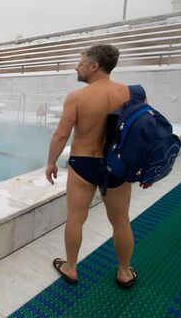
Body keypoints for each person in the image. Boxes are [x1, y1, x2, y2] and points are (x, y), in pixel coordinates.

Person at [45, 45, 139, 288]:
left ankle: (71, 268)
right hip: (117, 165)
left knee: (76, 218)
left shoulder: (77, 97)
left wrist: (50, 163)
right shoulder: (132, 94)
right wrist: (142, 170)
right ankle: (124, 273)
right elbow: (141, 138)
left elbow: (60, 135)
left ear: (94, 66)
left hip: (84, 163)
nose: (77, 67)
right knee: (120, 221)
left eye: (81, 63)